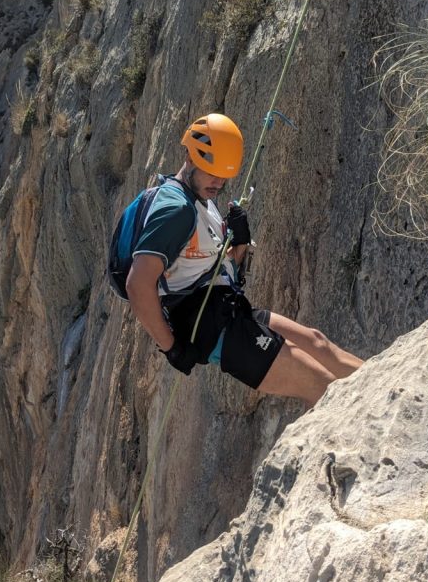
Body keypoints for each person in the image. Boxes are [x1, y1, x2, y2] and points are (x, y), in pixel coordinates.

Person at [125, 113, 363, 407]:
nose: (218, 182)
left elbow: (218, 270)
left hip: (229, 309)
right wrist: (172, 348)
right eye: (212, 172)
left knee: (318, 344)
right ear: (190, 157)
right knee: (321, 385)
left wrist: (238, 243)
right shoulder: (175, 209)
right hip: (211, 327)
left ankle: (389, 383)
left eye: (224, 175)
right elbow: (138, 284)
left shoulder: (201, 201)